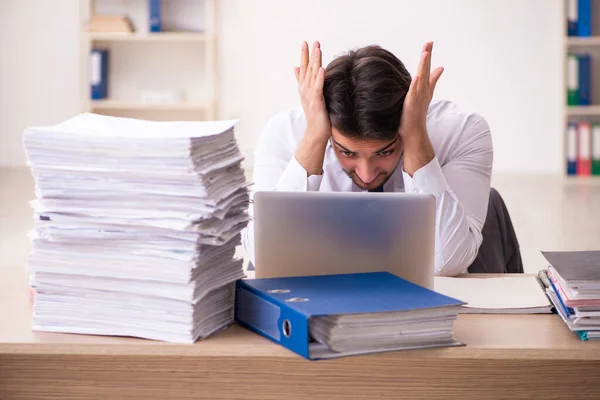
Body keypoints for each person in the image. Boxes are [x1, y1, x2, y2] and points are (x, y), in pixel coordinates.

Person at [242, 40, 522, 277]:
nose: (366, 174)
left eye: (385, 151)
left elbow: (447, 262)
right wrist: (315, 137)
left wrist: (415, 136)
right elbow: (262, 256)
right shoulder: (285, 134)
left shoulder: (461, 131)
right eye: (347, 152)